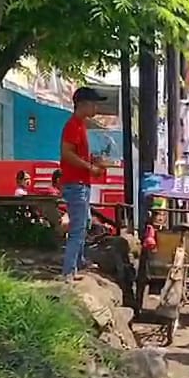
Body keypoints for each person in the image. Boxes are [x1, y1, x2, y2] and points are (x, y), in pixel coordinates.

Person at [59, 87, 108, 282]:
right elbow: (67, 154)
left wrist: (93, 161)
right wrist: (90, 167)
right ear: (83, 104)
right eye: (94, 103)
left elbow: (76, 154)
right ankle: (68, 271)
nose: (96, 107)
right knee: (78, 227)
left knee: (84, 223)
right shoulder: (73, 125)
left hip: (82, 183)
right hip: (76, 183)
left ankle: (78, 262)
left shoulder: (80, 126)